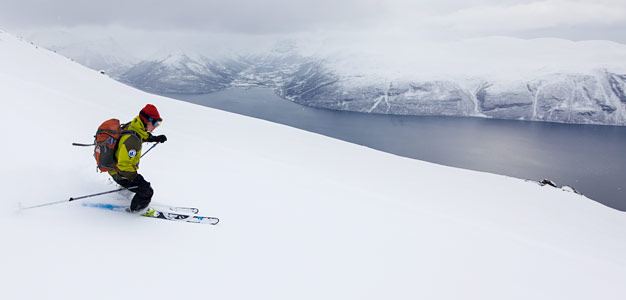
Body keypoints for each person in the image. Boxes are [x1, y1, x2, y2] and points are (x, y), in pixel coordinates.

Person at [109, 104, 167, 213]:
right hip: (120, 174)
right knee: (146, 191)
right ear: (146, 121)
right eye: (155, 123)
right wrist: (136, 179)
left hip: (116, 169)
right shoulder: (132, 140)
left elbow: (142, 135)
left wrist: (154, 138)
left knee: (140, 185)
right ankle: (136, 211)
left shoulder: (134, 126)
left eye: (159, 123)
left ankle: (124, 194)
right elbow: (124, 167)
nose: (156, 126)